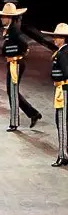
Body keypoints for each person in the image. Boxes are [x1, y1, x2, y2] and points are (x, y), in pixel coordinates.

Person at [0, 3, 42, 131]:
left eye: (4, 16)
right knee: (12, 91)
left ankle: (14, 122)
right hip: (12, 62)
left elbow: (24, 45)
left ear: (10, 17)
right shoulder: (10, 29)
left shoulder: (14, 30)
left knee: (12, 92)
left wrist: (19, 54)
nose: (1, 18)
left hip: (16, 64)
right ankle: (33, 113)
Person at [43, 23, 68, 167]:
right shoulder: (62, 51)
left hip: (63, 90)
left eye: (57, 37)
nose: (54, 39)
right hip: (61, 89)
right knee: (61, 121)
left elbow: (66, 72)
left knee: (62, 122)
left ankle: (62, 155)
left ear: (63, 39)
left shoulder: (63, 53)